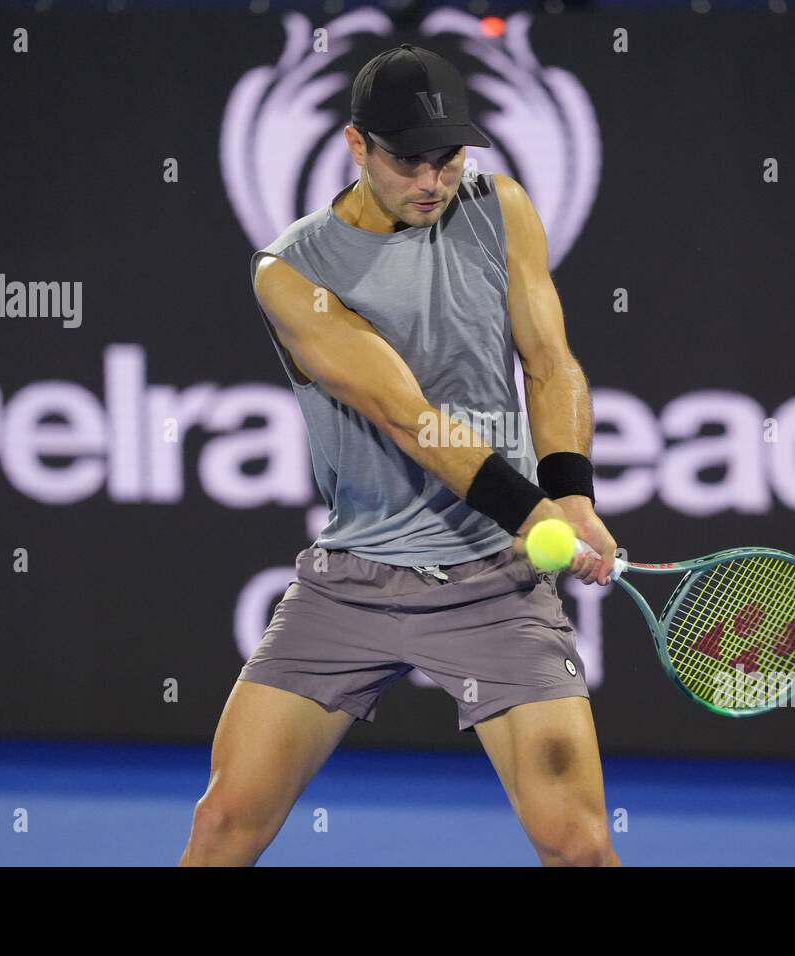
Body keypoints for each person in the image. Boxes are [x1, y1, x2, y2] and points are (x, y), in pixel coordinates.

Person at [180, 43, 620, 867]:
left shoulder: (502, 207)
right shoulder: (290, 272)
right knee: (223, 827)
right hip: (351, 586)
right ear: (357, 147)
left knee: (581, 848)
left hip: (495, 586)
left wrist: (573, 492)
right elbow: (410, 418)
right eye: (407, 160)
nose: (432, 181)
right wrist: (533, 510)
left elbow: (549, 360)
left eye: (447, 158)